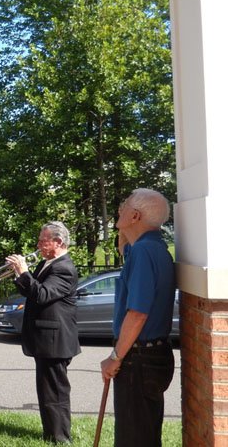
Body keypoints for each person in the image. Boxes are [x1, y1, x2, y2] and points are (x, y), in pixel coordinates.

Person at [100, 188, 175, 446]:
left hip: (139, 359)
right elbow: (126, 249)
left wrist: (115, 357)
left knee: (134, 440)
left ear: (135, 215)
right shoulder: (149, 247)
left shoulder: (144, 252)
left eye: (125, 205)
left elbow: (138, 313)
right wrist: (127, 229)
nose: (119, 209)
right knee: (143, 434)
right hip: (151, 356)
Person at [6, 221, 80, 444]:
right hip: (46, 339)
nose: (38, 245)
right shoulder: (48, 263)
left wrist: (23, 271)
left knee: (55, 393)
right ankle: (51, 433)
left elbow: (43, 294)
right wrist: (19, 276)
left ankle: (60, 438)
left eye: (42, 240)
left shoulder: (64, 268)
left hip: (55, 340)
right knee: (47, 392)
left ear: (58, 242)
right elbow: (32, 291)